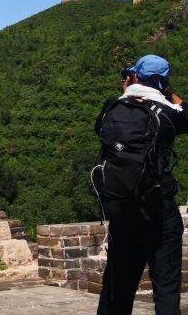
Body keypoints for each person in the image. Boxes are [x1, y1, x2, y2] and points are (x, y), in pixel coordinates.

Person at [95, 54, 186, 315]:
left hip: (123, 211)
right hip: (159, 213)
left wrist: (127, 94)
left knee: (116, 290)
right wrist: (170, 94)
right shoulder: (168, 115)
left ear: (133, 78)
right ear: (163, 82)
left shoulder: (111, 109)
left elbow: (101, 132)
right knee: (166, 290)